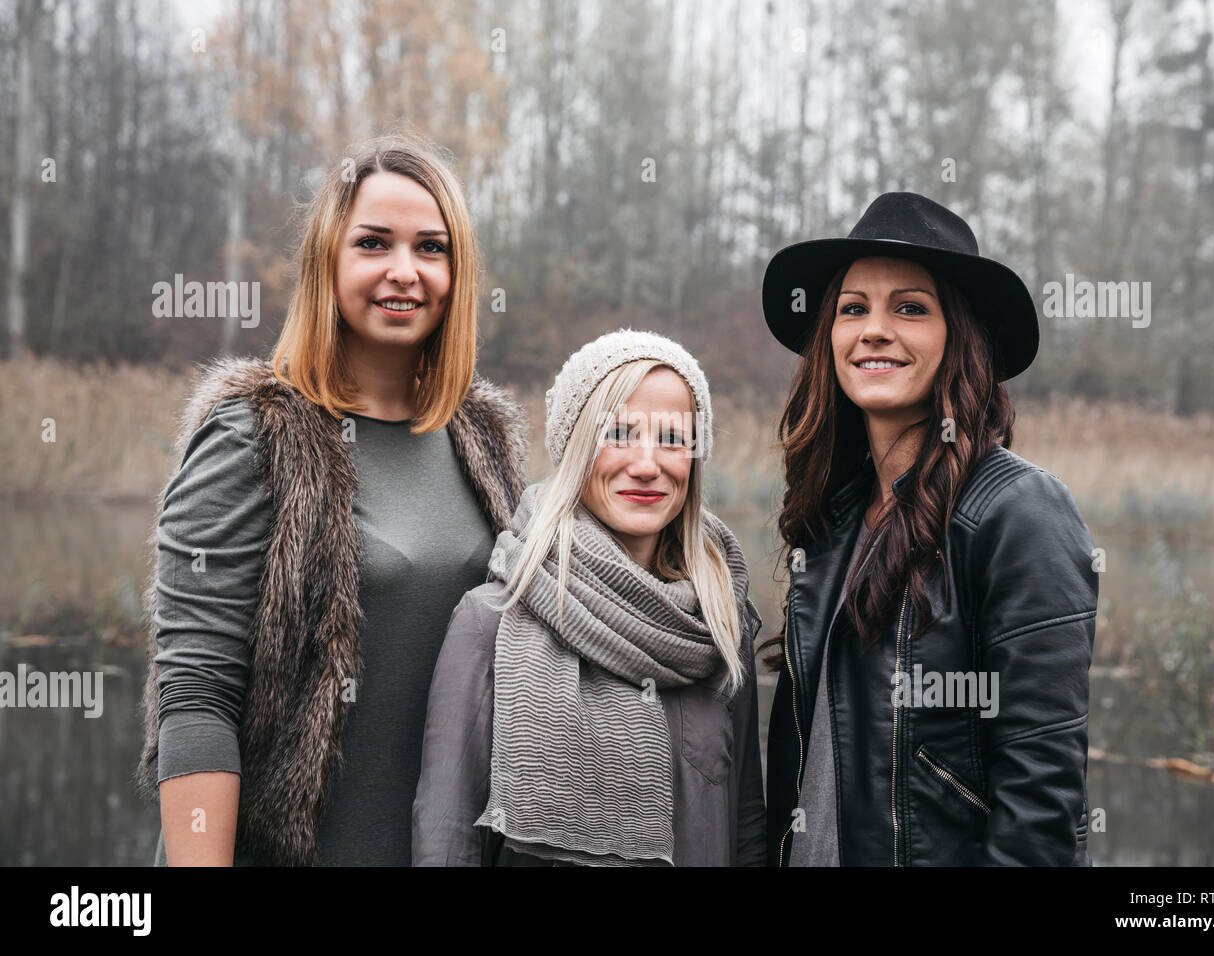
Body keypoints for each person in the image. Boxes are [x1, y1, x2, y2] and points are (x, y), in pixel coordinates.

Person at [135, 132, 528, 866]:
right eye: (374, 243)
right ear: (328, 260)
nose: (404, 272)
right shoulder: (255, 434)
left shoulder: (483, 437)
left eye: (431, 248)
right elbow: (195, 695)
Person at [760, 192, 1098, 866]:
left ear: (958, 337)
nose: (874, 329)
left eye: (910, 308)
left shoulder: (1018, 514)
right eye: (853, 308)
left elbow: (1041, 809)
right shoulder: (832, 521)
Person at [412, 330, 766, 866]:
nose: (647, 464)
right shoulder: (490, 621)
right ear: (576, 449)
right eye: (618, 433)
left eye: (673, 438)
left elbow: (746, 828)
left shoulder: (718, 627)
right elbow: (446, 836)